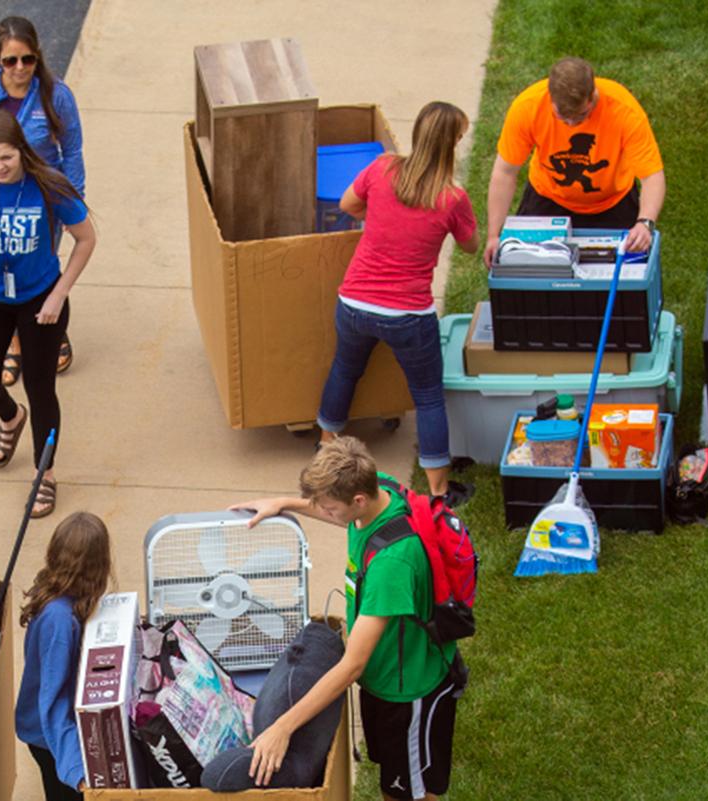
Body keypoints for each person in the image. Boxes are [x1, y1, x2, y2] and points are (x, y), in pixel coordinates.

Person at [231, 437, 462, 801]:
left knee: (410, 793)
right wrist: (284, 504)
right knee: (393, 779)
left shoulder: (393, 565)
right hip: (385, 678)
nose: (324, 512)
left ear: (357, 501)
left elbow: (352, 665)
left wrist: (282, 727)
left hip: (408, 693)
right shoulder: (375, 486)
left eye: (329, 508)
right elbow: (332, 509)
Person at [316, 101, 477, 505]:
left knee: (345, 369)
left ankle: (325, 447)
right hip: (408, 316)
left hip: (353, 302)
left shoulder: (383, 168)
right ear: (452, 144)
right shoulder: (452, 198)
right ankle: (439, 489)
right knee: (427, 396)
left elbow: (347, 205)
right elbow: (471, 246)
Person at [0, 110, 95, 518]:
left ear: (21, 152)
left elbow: (86, 239)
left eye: (6, 158)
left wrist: (59, 295)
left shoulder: (48, 186)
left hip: (40, 300)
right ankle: (11, 418)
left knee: (40, 386)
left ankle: (44, 473)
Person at [0, 15, 84, 385]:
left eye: (28, 59)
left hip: (40, 193)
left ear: (37, 58)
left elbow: (71, 147)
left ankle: (50, 327)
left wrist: (73, 199)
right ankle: (13, 340)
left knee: (38, 258)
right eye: (11, 61)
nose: (20, 68)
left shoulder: (56, 94)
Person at [483, 56, 665, 266]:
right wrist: (494, 235)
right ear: (550, 98)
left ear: (593, 94)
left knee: (624, 275)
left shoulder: (624, 110)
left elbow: (652, 176)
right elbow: (505, 173)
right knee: (530, 270)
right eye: (562, 117)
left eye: (581, 115)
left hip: (613, 201)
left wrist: (645, 223)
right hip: (548, 197)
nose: (571, 124)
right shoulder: (528, 107)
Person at [16, 511, 112, 800]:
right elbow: (53, 701)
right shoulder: (59, 621)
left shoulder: (65, 598)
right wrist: (76, 770)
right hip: (50, 738)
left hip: (52, 731)